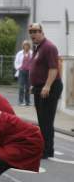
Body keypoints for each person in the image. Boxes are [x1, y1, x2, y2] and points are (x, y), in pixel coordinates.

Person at [29, 23, 63, 159]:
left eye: (36, 31)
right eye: (30, 31)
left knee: (46, 121)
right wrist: (34, 85)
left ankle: (48, 150)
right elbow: (38, 68)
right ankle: (44, 148)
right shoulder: (38, 48)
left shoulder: (49, 47)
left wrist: (47, 86)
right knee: (42, 121)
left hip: (50, 87)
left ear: (42, 32)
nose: (33, 34)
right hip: (40, 87)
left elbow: (53, 68)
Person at [14, 40, 32, 106]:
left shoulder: (32, 53)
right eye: (25, 45)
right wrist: (18, 67)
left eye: (27, 45)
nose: (26, 46)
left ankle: (27, 102)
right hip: (21, 71)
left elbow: (34, 62)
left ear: (29, 46)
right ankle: (20, 101)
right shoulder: (19, 53)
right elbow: (16, 62)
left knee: (28, 87)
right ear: (23, 46)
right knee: (21, 87)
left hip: (29, 72)